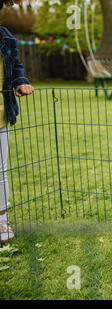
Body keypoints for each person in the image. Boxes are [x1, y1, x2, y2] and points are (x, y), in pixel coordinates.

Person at [0, 0, 35, 243]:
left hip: (1, 113)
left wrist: (19, 81)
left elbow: (15, 65)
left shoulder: (6, 37)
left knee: (0, 169)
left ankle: (1, 218)